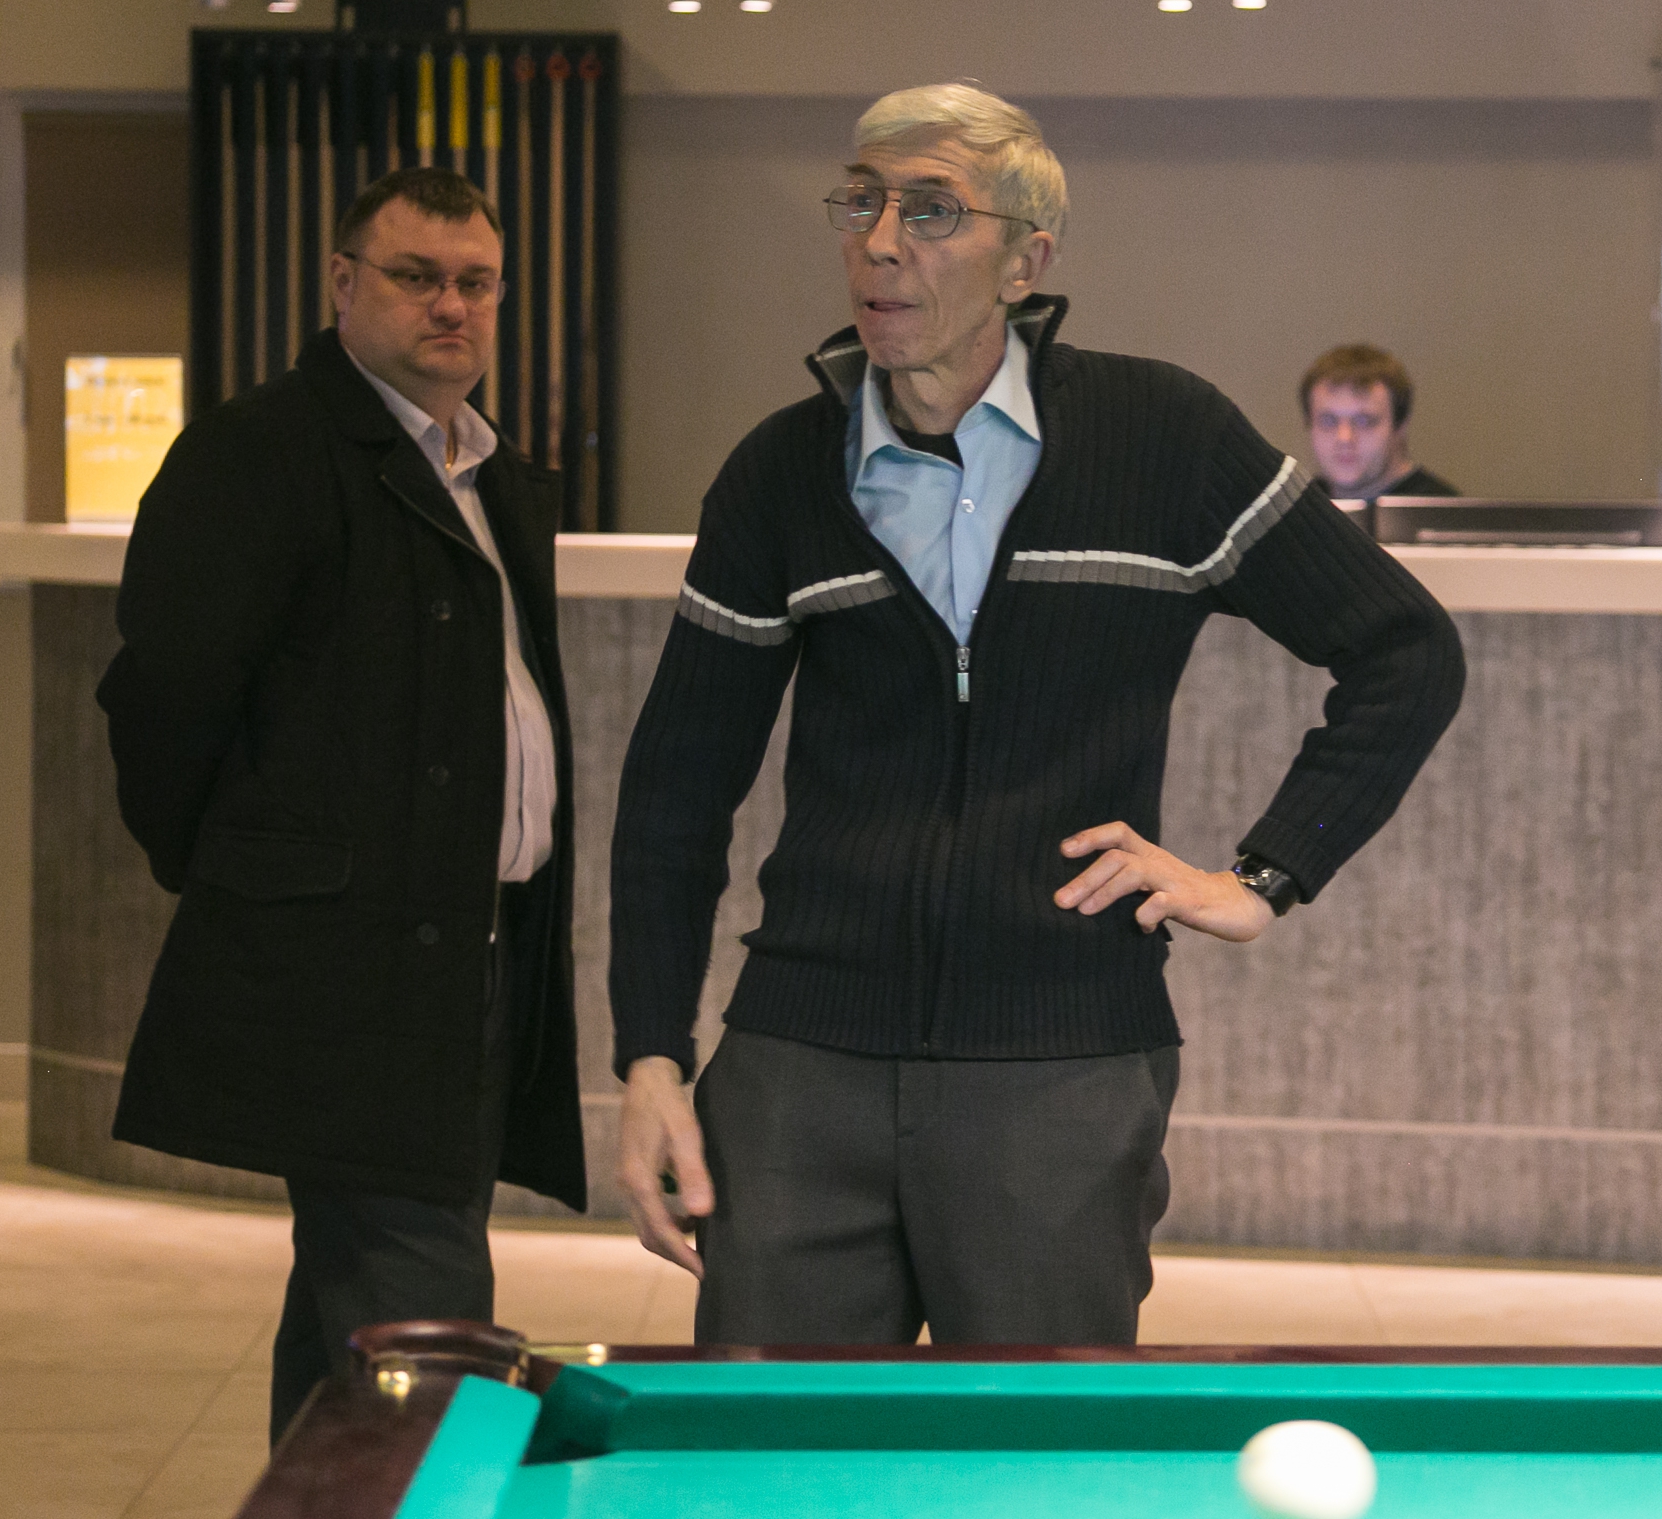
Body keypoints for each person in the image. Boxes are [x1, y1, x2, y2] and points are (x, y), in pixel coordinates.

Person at [607, 84, 1466, 1345]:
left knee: (1041, 1446)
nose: (880, 241)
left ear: (1026, 260)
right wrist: (649, 1056)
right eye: (862, 201)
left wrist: (1262, 876)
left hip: (1061, 1069)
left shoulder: (1164, 436)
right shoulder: (778, 472)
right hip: (799, 1069)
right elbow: (675, 787)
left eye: (931, 210)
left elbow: (1406, 649)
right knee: (771, 1445)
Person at [96, 168, 583, 1439]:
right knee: (429, 1334)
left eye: (475, 282)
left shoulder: (490, 471)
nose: (451, 306)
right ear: (342, 283)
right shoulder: (259, 453)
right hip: (343, 964)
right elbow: (162, 697)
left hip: (477, 954)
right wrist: (247, 871)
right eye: (417, 277)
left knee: (348, 1318)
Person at [1300, 343, 1461, 500]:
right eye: (1328, 421)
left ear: (1400, 426)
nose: (1344, 438)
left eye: (1363, 421)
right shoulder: (1297, 507)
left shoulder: (1446, 511)